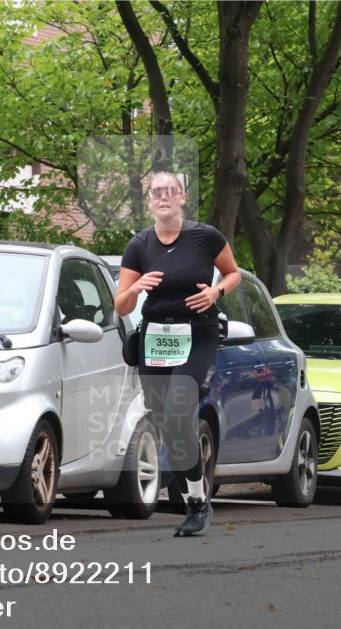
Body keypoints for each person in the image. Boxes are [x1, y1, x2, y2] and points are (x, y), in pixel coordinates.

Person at [115, 172, 242, 537]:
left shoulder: (205, 237)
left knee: (178, 411)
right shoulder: (139, 245)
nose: (164, 196)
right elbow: (121, 306)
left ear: (183, 197)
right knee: (166, 423)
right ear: (149, 201)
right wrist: (136, 288)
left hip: (197, 333)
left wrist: (216, 293)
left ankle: (197, 501)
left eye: (171, 191)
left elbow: (233, 274)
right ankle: (196, 498)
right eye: (157, 192)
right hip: (155, 336)